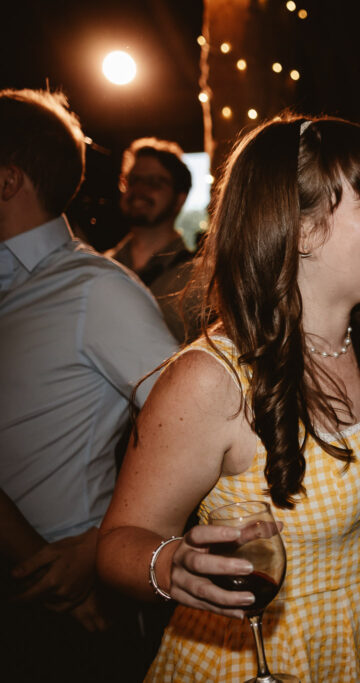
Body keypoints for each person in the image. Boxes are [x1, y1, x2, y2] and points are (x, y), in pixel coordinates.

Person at [97, 115, 360, 682]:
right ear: (300, 230)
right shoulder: (211, 379)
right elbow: (118, 545)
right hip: (259, 657)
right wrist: (171, 564)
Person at [0, 88, 179, 681]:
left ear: (7, 181)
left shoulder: (96, 289)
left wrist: (106, 543)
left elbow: (190, 429)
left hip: (58, 601)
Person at [106, 137, 197, 343]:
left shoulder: (197, 279)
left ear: (179, 199)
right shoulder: (103, 264)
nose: (139, 190)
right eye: (133, 180)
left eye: (155, 182)